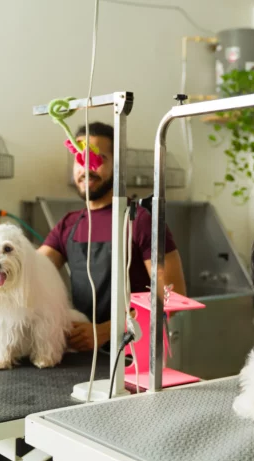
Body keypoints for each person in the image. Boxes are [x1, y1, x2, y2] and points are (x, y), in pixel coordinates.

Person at [38, 121, 187, 352]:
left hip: (134, 358)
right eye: (79, 159)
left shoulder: (141, 221)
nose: (85, 168)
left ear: (118, 166)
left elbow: (172, 298)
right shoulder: (68, 224)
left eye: (98, 158)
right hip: (82, 353)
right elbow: (31, 274)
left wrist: (106, 331)